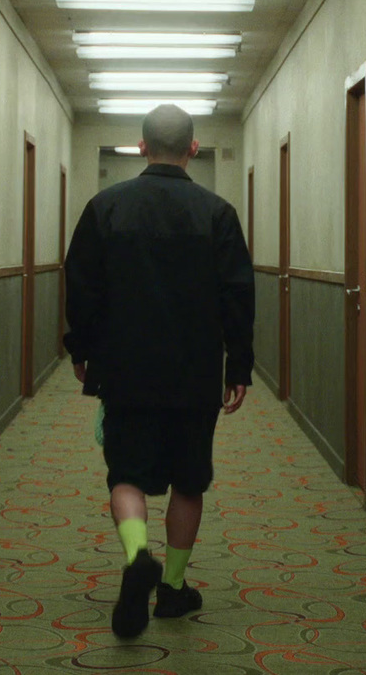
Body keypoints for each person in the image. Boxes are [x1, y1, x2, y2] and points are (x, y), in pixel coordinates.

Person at [63, 104, 255, 639]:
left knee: (126, 474)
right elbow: (237, 295)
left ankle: (134, 556)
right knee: (188, 481)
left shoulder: (104, 208)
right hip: (194, 372)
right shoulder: (217, 214)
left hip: (124, 368)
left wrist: (81, 350)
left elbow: (82, 288)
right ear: (193, 149)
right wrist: (237, 364)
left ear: (141, 147)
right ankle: (171, 587)